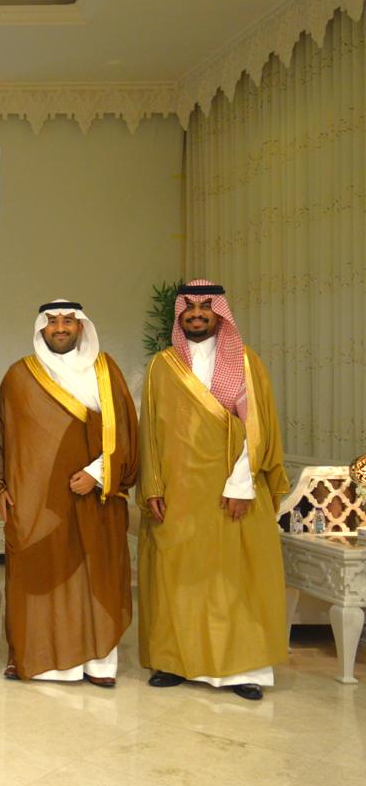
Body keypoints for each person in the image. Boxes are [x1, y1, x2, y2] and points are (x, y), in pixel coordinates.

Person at [138, 280, 289, 701]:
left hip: (231, 491)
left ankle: (242, 669)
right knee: (178, 578)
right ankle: (173, 662)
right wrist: (152, 484)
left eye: (206, 306)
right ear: (180, 314)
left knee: (233, 580)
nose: (197, 313)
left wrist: (241, 484)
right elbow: (150, 431)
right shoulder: (162, 366)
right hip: (178, 493)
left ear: (219, 312)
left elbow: (257, 428)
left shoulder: (245, 362)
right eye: (190, 307)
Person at [0, 301, 138, 686]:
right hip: (36, 502)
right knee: (37, 575)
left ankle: (98, 664)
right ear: (41, 329)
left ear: (81, 327)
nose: (60, 327)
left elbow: (123, 431)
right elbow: (3, 437)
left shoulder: (105, 371)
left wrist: (96, 473)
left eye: (68, 321)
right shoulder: (19, 376)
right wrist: (2, 486)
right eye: (53, 321)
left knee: (94, 578)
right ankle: (33, 656)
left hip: (94, 498)